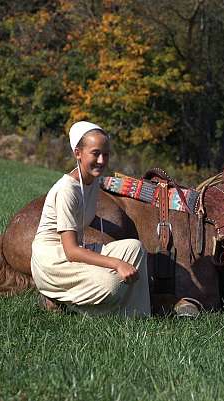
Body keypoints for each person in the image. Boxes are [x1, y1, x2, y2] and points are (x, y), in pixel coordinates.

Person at [31, 121, 151, 316]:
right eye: (95, 153)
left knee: (134, 248)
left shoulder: (92, 181)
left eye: (106, 154)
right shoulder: (67, 191)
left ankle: (136, 314)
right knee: (111, 284)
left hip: (73, 252)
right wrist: (117, 264)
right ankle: (61, 302)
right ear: (78, 153)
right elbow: (71, 251)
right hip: (54, 260)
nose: (102, 161)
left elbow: (85, 218)